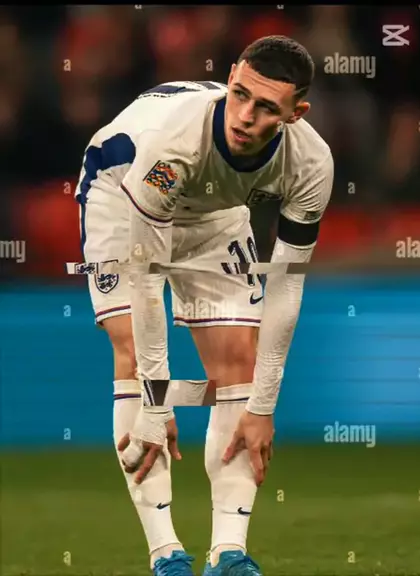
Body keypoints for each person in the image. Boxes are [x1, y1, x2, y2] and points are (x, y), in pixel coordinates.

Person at [75, 35, 333, 576]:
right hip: (122, 190)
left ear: (296, 113)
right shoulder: (172, 147)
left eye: (267, 107)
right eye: (240, 94)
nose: (245, 116)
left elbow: (286, 285)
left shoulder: (311, 164)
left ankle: (229, 554)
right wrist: (155, 403)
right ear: (231, 76)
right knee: (132, 354)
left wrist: (263, 406)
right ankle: (166, 554)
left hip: (215, 213)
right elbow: (147, 279)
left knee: (240, 361)